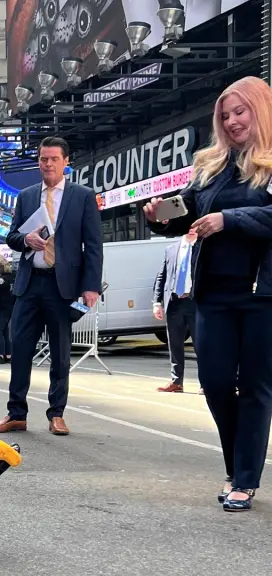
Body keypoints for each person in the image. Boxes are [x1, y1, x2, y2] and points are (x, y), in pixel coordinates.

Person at [144, 76, 272, 511]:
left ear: (260, 110)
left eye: (241, 111)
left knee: (255, 387)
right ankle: (238, 466)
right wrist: (160, 217)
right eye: (225, 115)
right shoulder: (210, 165)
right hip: (213, 293)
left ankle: (244, 477)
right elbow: (188, 211)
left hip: (262, 295)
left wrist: (229, 219)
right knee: (216, 383)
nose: (232, 121)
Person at [0, 136, 102, 436]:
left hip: (62, 287)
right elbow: (12, 237)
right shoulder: (25, 197)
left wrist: (90, 287)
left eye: (53, 159)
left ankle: (57, 413)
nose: (47, 164)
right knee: (20, 349)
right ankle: (16, 413)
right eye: (42, 159)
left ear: (65, 162)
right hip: (29, 284)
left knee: (61, 353)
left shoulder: (82, 196)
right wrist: (26, 240)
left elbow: (94, 245)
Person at [152, 231, 198, 394]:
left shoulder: (202, 247)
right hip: (174, 302)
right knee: (175, 343)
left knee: (202, 344)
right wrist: (157, 302)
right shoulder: (171, 249)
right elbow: (162, 276)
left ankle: (205, 383)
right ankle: (176, 381)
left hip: (196, 302)